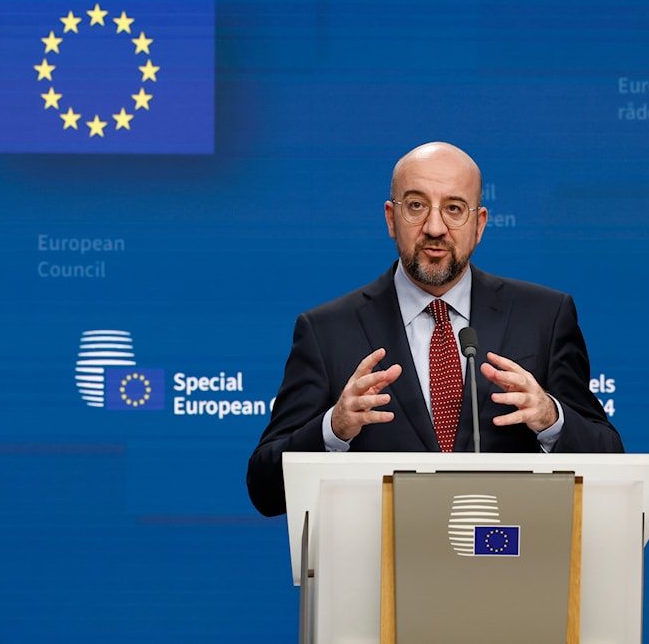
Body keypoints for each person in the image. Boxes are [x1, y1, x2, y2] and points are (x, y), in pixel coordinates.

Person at [246, 142, 624, 517]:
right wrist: (333, 427)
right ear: (391, 219)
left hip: (508, 564)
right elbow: (264, 489)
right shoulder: (325, 330)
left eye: (454, 209)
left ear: (479, 224)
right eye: (416, 206)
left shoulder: (545, 316)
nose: (434, 227)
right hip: (374, 572)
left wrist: (551, 419)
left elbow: (611, 459)